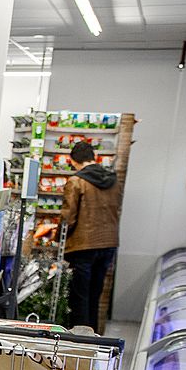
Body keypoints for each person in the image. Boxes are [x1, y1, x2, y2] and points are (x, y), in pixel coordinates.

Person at [62, 140, 121, 331]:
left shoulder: (76, 181)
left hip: (83, 245)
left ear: (74, 161)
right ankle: (94, 339)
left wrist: (58, 237)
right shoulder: (113, 180)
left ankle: (80, 342)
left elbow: (68, 217)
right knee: (95, 295)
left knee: (80, 296)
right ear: (93, 158)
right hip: (109, 243)